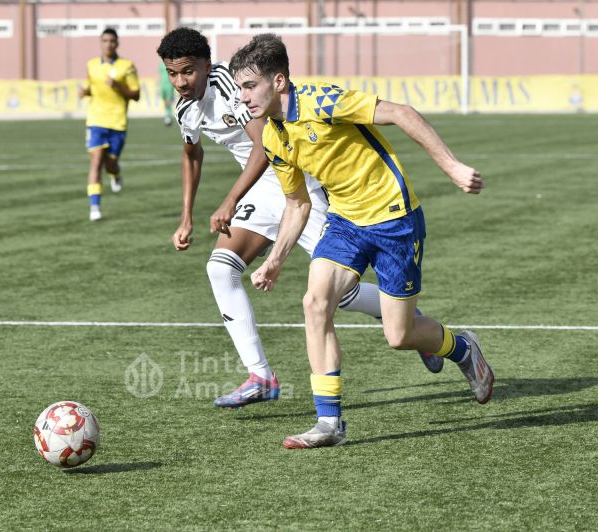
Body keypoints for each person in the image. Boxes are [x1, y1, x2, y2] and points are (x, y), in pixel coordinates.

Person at [229, 34, 494, 448]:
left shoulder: (322, 102)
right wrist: (275, 260)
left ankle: (461, 349)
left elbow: (401, 113)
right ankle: (329, 424)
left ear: (278, 81)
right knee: (315, 303)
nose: (242, 97)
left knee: (399, 336)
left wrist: (452, 167)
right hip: (345, 223)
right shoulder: (273, 137)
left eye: (249, 86)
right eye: (239, 88)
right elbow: (297, 204)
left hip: (395, 220)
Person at [156, 28, 442, 409]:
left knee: (342, 294)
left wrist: (229, 199)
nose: (180, 82)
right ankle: (260, 375)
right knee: (220, 269)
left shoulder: (230, 84)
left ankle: (410, 319)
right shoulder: (184, 107)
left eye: (188, 71)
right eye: (172, 74)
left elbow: (265, 145)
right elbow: (192, 153)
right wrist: (186, 217)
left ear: (207, 65)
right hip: (261, 189)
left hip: (298, 184)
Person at [78, 28, 140, 221]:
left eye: (112, 41)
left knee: (110, 164)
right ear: (100, 42)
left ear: (117, 43)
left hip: (117, 122)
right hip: (96, 120)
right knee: (96, 161)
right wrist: (85, 92)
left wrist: (118, 86)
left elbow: (135, 95)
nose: (108, 44)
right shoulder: (92, 65)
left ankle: (115, 173)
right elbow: (91, 86)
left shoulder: (127, 66)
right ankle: (94, 207)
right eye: (105, 40)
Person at [158, 61, 175, 126]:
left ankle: (168, 117)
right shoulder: (161, 65)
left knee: (168, 101)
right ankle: (167, 115)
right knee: (165, 102)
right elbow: (160, 75)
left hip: (169, 85)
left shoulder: (171, 64)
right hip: (162, 86)